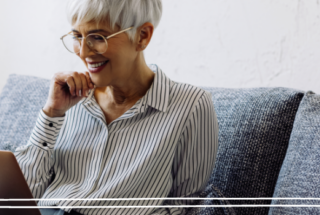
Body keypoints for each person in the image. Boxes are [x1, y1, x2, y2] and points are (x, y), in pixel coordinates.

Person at [13, 0, 219, 214]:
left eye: (97, 37)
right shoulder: (68, 99)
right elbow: (18, 200)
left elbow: (185, 205)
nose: (83, 52)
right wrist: (52, 114)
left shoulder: (191, 105)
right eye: (77, 36)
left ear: (142, 36)